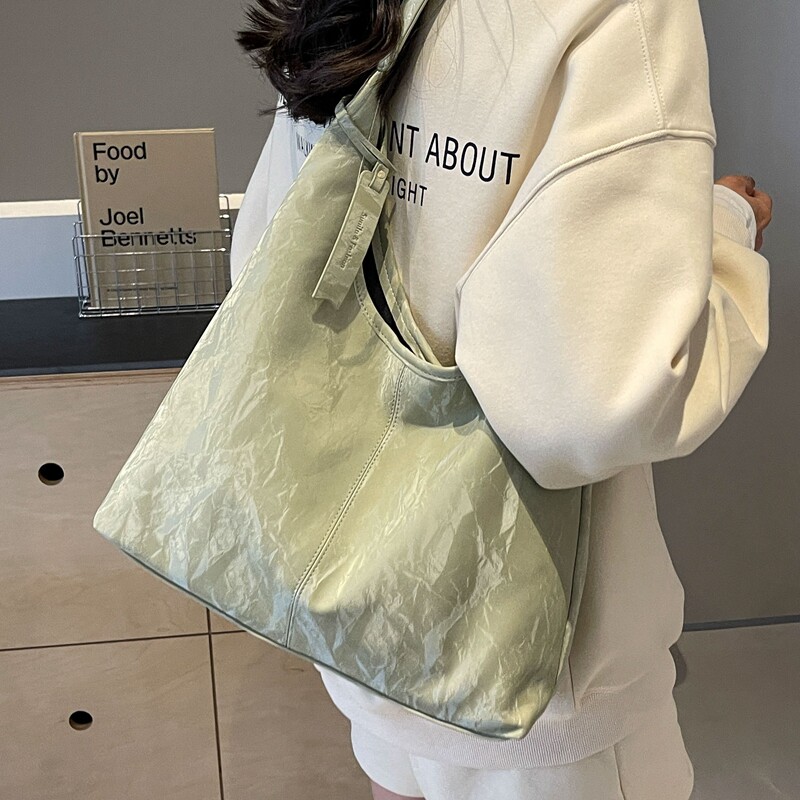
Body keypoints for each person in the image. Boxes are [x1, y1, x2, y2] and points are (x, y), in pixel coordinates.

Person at [230, 1, 774, 798]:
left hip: (368, 618)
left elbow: (268, 268)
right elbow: (593, 405)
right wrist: (723, 235)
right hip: (539, 678)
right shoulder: (622, 10)